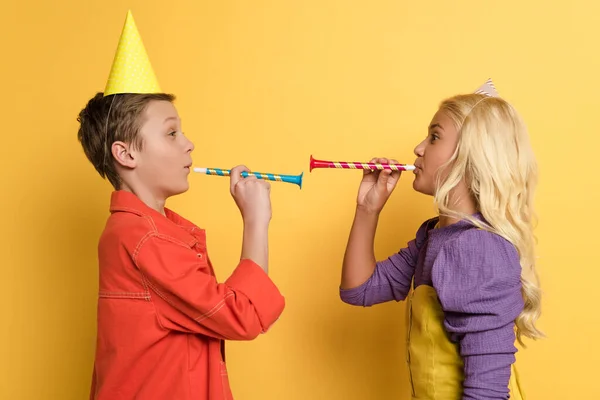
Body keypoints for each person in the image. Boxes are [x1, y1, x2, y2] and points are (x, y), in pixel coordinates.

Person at [77, 11, 284, 400]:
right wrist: (256, 220)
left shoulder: (140, 232)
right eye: (171, 133)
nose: (188, 144)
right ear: (125, 154)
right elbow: (242, 315)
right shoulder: (145, 240)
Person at [339, 80, 542, 399]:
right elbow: (359, 289)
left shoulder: (477, 249)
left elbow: (486, 393)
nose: (418, 149)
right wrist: (368, 208)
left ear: (469, 157)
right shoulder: (434, 236)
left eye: (434, 137)